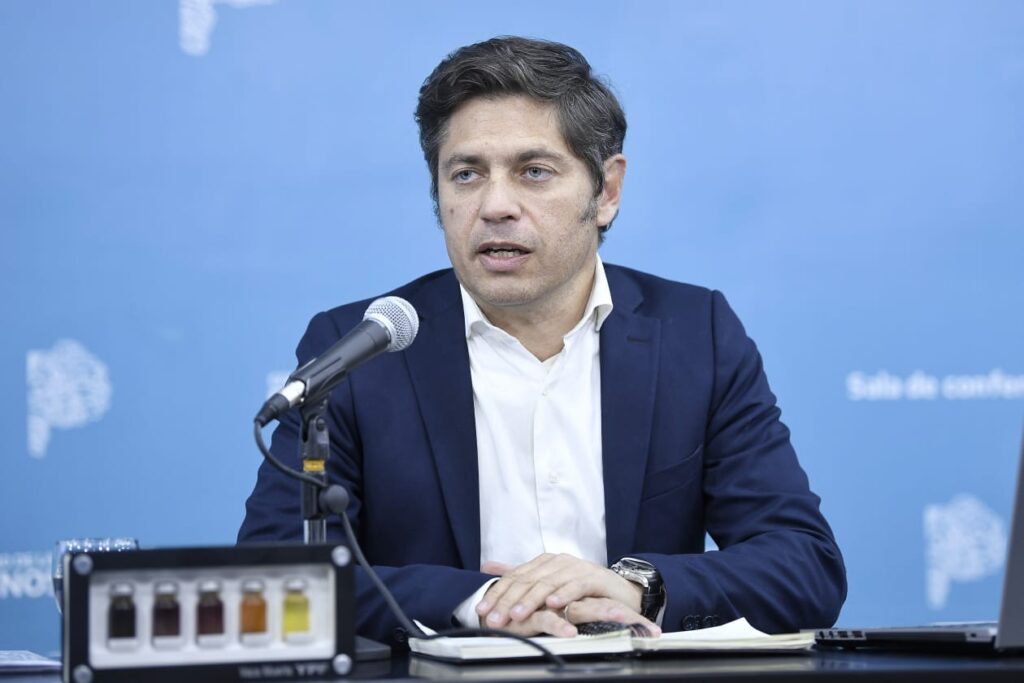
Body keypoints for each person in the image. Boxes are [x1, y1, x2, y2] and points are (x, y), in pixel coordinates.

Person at [239, 36, 846, 646]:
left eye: (534, 172)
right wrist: (479, 603)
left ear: (606, 192)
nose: (495, 206)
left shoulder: (695, 334)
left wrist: (636, 586)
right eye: (466, 174)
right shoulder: (362, 349)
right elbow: (278, 575)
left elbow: (804, 566)